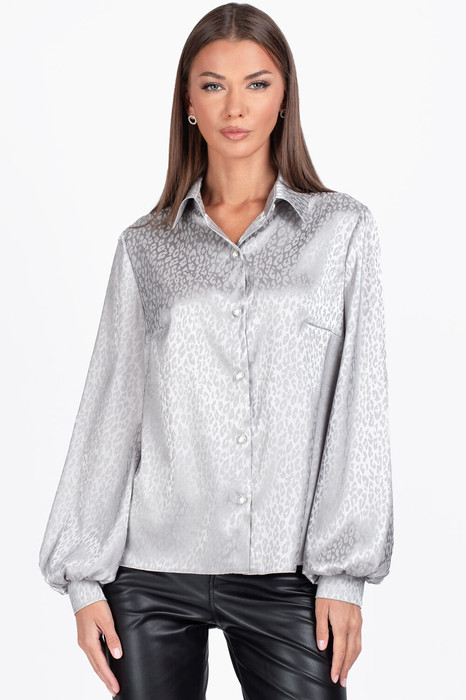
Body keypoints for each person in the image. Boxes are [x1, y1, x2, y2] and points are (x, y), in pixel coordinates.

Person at [38, 3, 394, 698]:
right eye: (213, 85)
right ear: (188, 102)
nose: (235, 107)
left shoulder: (342, 232)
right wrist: (82, 581)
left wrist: (343, 575)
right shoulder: (146, 247)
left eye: (256, 84)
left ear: (285, 96)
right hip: (150, 577)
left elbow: (360, 405)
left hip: (289, 575)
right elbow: (110, 411)